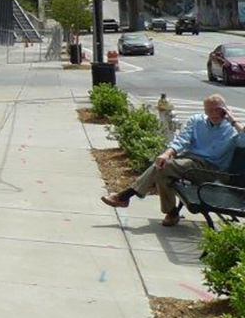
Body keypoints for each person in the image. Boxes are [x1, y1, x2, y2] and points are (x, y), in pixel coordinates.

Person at [101, 94, 245, 226]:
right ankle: (172, 213)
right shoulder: (197, 121)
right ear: (205, 111)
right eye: (209, 110)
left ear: (225, 110)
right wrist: (166, 153)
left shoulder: (232, 130)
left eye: (218, 110)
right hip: (189, 162)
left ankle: (125, 195)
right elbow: (182, 140)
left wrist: (232, 120)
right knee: (163, 168)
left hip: (212, 170)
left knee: (166, 166)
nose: (214, 114)